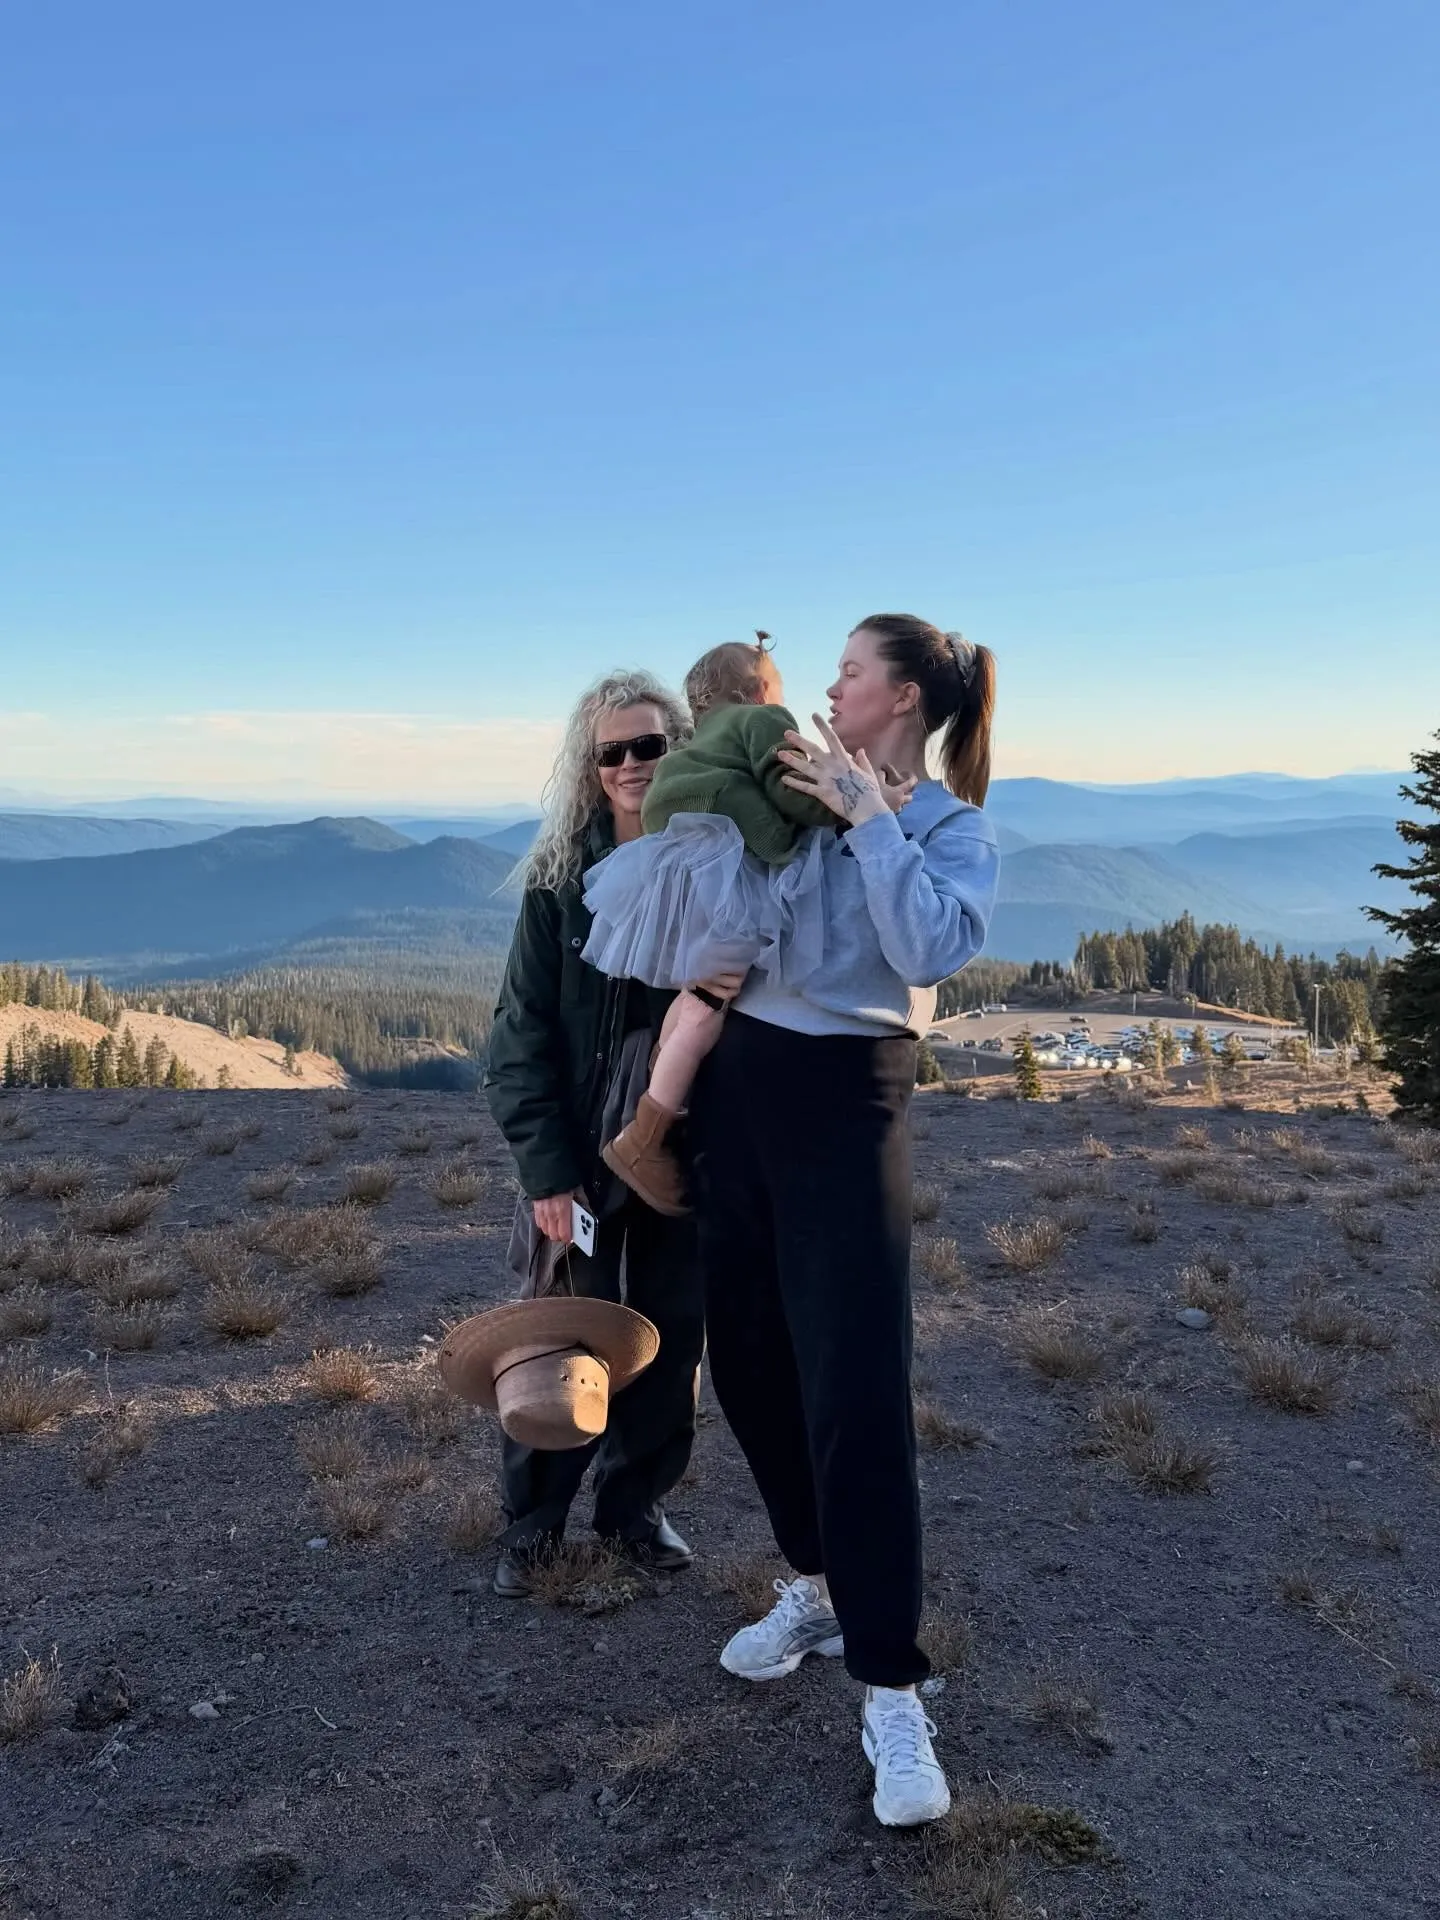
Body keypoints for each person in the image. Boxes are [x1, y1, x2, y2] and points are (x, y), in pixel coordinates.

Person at [686, 613, 1001, 1830]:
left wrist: (870, 816)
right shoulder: (799, 790)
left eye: (852, 672)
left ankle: (891, 1686)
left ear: (907, 699)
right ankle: (815, 1586)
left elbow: (928, 948)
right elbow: (733, 936)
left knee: (858, 1390)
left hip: (851, 1096)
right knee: (751, 1365)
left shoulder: (948, 828)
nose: (829, 686)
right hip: (744, 1087)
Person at [482, 669, 705, 1597]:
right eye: (610, 750)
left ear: (680, 748)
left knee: (668, 1333)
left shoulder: (711, 863)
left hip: (683, 1147)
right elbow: (518, 1037)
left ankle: (634, 1509)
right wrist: (546, 1172)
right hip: (575, 1149)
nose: (628, 765)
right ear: (590, 764)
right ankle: (533, 1524)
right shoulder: (557, 884)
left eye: (647, 745)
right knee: (563, 1331)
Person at [582, 635, 912, 1214]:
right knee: (716, 997)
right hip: (730, 871)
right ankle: (649, 1133)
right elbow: (794, 785)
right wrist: (861, 804)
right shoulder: (763, 721)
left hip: (678, 873)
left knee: (701, 995)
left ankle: (663, 1092)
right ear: (761, 689)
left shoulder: (695, 746)